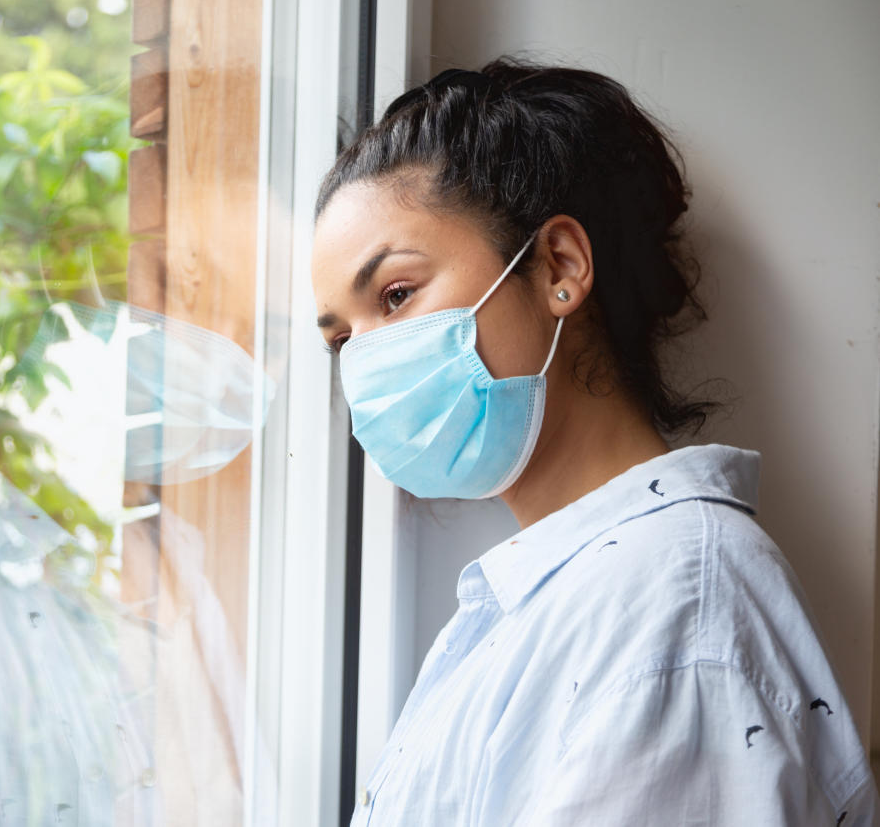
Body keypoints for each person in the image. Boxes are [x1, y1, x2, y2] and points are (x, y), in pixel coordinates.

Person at [311, 59, 879, 825]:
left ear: (559, 267)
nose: (367, 360)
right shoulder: (551, 600)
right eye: (342, 337)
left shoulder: (677, 609)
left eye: (397, 295)